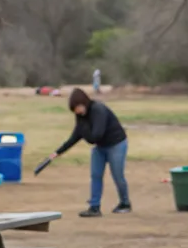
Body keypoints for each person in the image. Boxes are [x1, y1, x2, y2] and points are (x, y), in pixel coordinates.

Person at [48, 88, 131, 218]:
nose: (77, 112)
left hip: (116, 144)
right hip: (100, 146)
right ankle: (94, 207)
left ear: (84, 103)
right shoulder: (81, 116)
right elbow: (76, 135)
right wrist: (58, 152)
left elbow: (95, 136)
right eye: (75, 110)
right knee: (95, 175)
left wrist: (83, 129)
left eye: (78, 108)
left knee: (117, 175)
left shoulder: (98, 110)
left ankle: (125, 203)